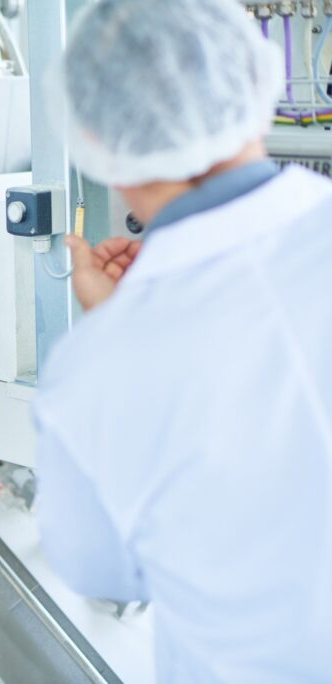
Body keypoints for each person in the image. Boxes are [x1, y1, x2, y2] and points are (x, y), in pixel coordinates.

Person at [33, 1, 332, 680]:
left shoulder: (95, 368)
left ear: (94, 136)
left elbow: (103, 567)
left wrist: (116, 325)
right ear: (255, 75)